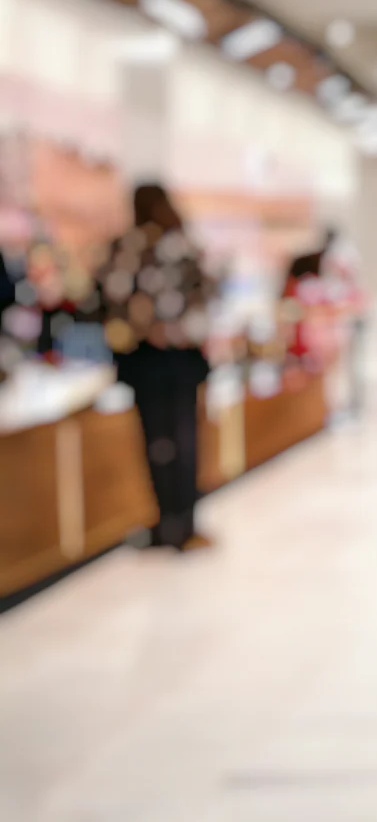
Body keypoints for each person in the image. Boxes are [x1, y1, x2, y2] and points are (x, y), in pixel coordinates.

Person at [96, 184, 215, 551]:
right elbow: (205, 297)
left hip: (149, 361)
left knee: (159, 441)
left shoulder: (130, 248)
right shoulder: (183, 245)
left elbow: (110, 299)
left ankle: (169, 522)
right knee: (184, 437)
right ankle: (185, 523)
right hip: (178, 359)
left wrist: (149, 328)